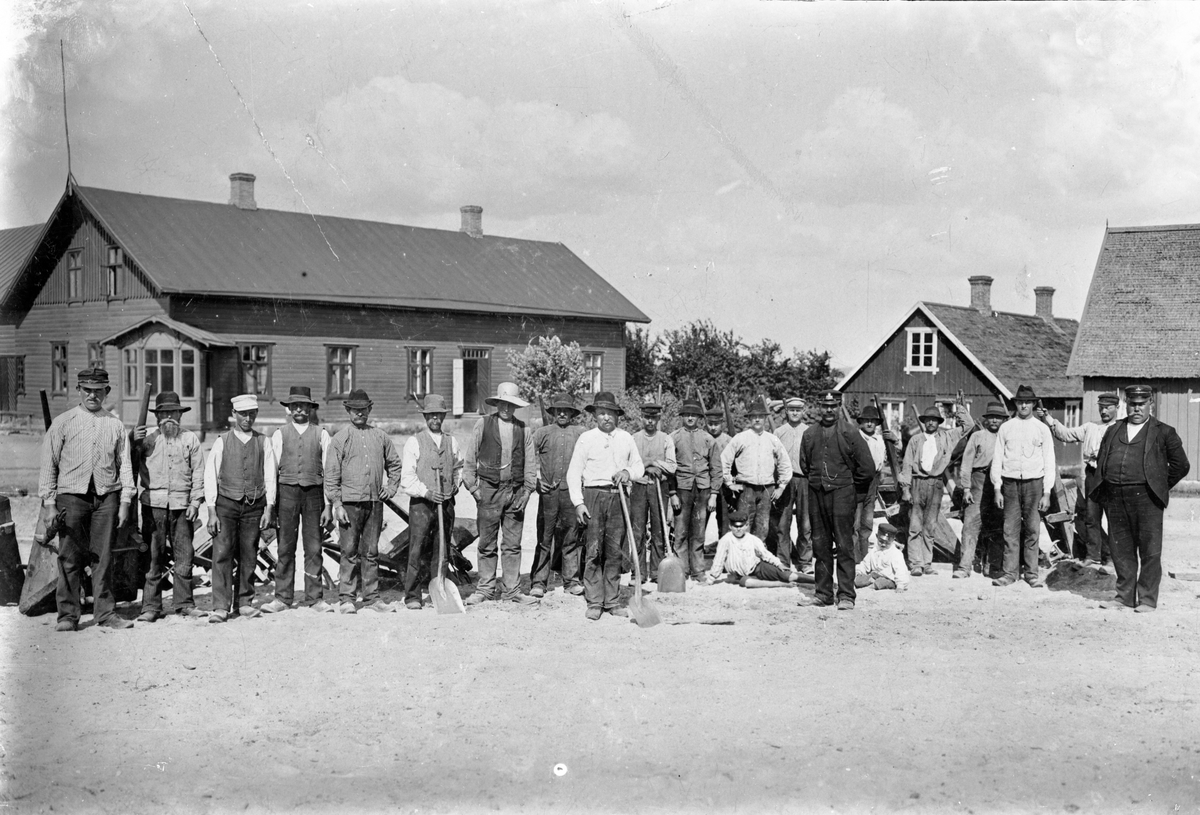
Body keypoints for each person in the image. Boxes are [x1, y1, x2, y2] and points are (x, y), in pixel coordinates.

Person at [38, 367, 136, 631]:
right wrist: (49, 505)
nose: (93, 395)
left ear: (107, 391)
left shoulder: (115, 425)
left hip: (106, 499)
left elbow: (125, 465)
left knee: (103, 558)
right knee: (69, 557)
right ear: (79, 390)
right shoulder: (63, 422)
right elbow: (49, 465)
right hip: (71, 499)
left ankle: (106, 613)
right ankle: (68, 616)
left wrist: (125, 501)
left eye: (98, 390)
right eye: (87, 390)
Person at [1092, 385, 1189, 612]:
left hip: (1147, 498)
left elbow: (1181, 465)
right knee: (1120, 549)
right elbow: (1102, 460)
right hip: (1116, 497)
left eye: (1141, 404)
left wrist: (1158, 485)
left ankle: (1146, 599)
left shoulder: (1164, 432)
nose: (1136, 409)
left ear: (1150, 404)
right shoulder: (1113, 430)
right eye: (1132, 404)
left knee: (1149, 549)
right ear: (1126, 405)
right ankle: (1123, 597)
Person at [566, 391, 644, 620]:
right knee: (593, 550)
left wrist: (627, 472)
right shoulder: (586, 438)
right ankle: (594, 602)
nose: (606, 418)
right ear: (595, 416)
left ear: (617, 416)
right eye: (601, 413)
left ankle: (612, 601)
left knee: (614, 550)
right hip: (593, 496)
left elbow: (639, 467)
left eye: (610, 413)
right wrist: (578, 503)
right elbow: (574, 472)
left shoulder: (626, 438)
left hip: (619, 498)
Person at [325, 389, 402, 614]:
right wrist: (337, 504)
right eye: (355, 410)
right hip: (349, 505)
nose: (359, 413)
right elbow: (331, 475)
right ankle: (347, 598)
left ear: (369, 409)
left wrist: (391, 487)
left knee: (371, 552)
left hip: (374, 503)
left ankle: (372, 597)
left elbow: (395, 464)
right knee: (349, 551)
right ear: (348, 411)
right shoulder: (340, 439)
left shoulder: (380, 436)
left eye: (363, 409)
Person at [797, 390, 876, 611]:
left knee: (844, 545)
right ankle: (823, 594)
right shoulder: (810, 434)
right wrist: (820, 481)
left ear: (839, 407)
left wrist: (850, 489)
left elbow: (867, 469)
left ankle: (846, 595)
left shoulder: (850, 432)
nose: (829, 410)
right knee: (820, 545)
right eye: (825, 406)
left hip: (843, 495)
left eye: (833, 406)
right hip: (817, 494)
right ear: (819, 407)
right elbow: (805, 465)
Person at [203, 393, 277, 623]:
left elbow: (270, 476)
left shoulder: (263, 441)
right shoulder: (222, 441)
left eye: (252, 414)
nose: (247, 418)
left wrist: (269, 508)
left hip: (254, 506)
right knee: (222, 554)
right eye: (243, 414)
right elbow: (210, 476)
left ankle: (244, 603)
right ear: (234, 414)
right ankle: (220, 606)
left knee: (249, 554)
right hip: (226, 505)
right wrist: (212, 511)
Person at [131, 391, 205, 622]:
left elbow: (199, 473)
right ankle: (151, 607)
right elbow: (129, 464)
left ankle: (184, 604)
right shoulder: (147, 440)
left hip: (183, 507)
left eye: (173, 412)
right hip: (153, 506)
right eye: (164, 413)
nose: (169, 417)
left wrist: (195, 502)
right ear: (157, 417)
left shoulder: (190, 439)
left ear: (180, 415)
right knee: (153, 557)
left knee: (184, 555)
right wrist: (132, 440)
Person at [463, 382, 538, 605]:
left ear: (515, 407)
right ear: (497, 404)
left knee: (512, 544)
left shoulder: (524, 429)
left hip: (515, 492)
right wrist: (474, 489)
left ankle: (511, 590)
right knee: (487, 543)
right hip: (489, 490)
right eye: (503, 403)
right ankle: (486, 588)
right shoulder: (483, 424)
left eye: (510, 404)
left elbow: (530, 464)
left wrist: (527, 492)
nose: (506, 408)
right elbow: (470, 459)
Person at [263, 386, 332, 614]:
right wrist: (271, 504)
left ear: (310, 409)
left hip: (314, 495)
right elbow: (271, 472)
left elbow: (329, 471)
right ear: (289, 409)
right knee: (285, 547)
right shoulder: (279, 434)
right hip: (287, 495)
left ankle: (315, 598)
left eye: (303, 406)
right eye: (295, 406)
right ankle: (282, 598)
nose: (299, 410)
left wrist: (328, 505)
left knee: (313, 547)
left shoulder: (321, 434)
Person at [1040, 393, 1121, 567]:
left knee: (1114, 519)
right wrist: (1048, 418)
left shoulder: (1122, 428)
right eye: (1101, 407)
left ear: (1117, 408)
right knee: (1091, 517)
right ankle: (1093, 555)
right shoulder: (1091, 427)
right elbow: (1066, 434)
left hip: (1113, 476)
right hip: (1093, 475)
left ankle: (1112, 558)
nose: (1104, 411)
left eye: (1108, 408)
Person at [399, 394, 462, 610]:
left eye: (439, 415)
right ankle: (413, 595)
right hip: (422, 505)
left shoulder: (452, 441)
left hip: (446, 503)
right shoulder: (414, 442)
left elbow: (458, 467)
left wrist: (455, 485)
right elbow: (407, 478)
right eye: (431, 415)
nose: (435, 418)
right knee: (416, 549)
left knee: (441, 550)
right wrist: (426, 493)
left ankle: (440, 590)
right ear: (425, 417)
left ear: (443, 417)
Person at [989, 384, 1056, 588]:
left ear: (1034, 404)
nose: (1024, 406)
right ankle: (1010, 573)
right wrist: (997, 488)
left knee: (1032, 529)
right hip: (1010, 484)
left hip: (1034, 484)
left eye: (1028, 402)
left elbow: (1049, 461)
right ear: (1016, 404)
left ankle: (1031, 573)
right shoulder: (1006, 427)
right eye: (1020, 402)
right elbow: (997, 458)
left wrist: (1047, 492)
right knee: (1009, 529)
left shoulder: (1042, 429)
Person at [898, 404, 971, 577]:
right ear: (924, 422)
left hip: (936, 484)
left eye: (934, 420)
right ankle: (916, 564)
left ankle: (927, 563)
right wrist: (906, 489)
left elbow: (968, 425)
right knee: (915, 525)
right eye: (928, 420)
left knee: (930, 525)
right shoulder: (916, 440)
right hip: (917, 483)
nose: (931, 423)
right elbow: (907, 465)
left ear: (939, 422)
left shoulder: (947, 437)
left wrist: (960, 407)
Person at [530, 393, 586, 597]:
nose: (562, 414)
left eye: (566, 411)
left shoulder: (580, 433)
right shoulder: (542, 433)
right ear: (553, 412)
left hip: (572, 494)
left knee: (571, 538)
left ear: (572, 413)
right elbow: (526, 458)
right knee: (545, 539)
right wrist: (536, 482)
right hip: (549, 495)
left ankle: (571, 581)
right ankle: (539, 582)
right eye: (558, 411)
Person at [720, 397, 791, 540]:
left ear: (765, 419)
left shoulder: (772, 439)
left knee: (762, 525)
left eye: (760, 417)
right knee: (744, 524)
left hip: (767, 489)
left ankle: (758, 552)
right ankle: (743, 552)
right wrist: (729, 483)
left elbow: (785, 462)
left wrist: (781, 486)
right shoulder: (740, 438)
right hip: (746, 489)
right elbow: (724, 460)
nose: (757, 420)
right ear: (749, 419)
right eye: (754, 417)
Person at [670, 398, 720, 581]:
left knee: (698, 532)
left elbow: (716, 468)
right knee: (680, 532)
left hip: (702, 490)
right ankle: (682, 571)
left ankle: (698, 571)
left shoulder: (708, 439)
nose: (690, 418)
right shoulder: (673, 438)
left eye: (694, 415)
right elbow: (669, 469)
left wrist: (713, 494)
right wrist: (672, 493)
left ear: (699, 418)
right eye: (687, 415)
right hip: (682, 489)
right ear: (682, 416)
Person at [956, 401, 1007, 579]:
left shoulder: (1006, 437)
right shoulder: (977, 436)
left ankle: (992, 566)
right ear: (986, 419)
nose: (994, 421)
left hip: (1000, 483)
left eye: (998, 418)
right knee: (971, 523)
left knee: (997, 525)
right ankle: (964, 566)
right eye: (991, 417)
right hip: (978, 480)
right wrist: (966, 488)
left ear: (1003, 420)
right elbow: (966, 463)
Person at [629, 400, 677, 582]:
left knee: (659, 530)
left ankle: (656, 571)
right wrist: (647, 466)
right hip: (639, 486)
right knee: (638, 531)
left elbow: (672, 466)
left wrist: (653, 462)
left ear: (658, 419)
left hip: (659, 487)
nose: (650, 421)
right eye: (646, 417)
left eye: (653, 418)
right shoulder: (633, 439)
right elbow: (629, 464)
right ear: (641, 418)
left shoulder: (666, 439)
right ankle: (638, 572)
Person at [770, 396, 813, 573]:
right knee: (783, 522)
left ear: (803, 412)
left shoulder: (810, 431)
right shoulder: (778, 432)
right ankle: (783, 561)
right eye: (792, 410)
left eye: (798, 410)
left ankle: (805, 562)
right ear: (786, 411)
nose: (795, 413)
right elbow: (773, 457)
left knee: (805, 523)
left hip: (804, 480)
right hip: (784, 481)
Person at [704, 511, 800, 585]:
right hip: (739, 576)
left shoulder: (752, 539)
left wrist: (778, 564)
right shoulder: (725, 540)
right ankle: (782, 584)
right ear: (730, 526)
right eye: (735, 526)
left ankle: (809, 580)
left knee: (787, 575)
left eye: (741, 526)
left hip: (756, 568)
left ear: (746, 526)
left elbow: (765, 554)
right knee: (747, 582)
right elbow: (719, 560)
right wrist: (711, 579)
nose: (738, 529)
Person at [852, 405, 889, 564]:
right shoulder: (855, 438)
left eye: (872, 421)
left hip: (873, 480)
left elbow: (892, 452)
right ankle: (854, 557)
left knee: (867, 520)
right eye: (866, 421)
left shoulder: (880, 440)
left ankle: (864, 556)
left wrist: (893, 439)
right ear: (861, 422)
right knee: (855, 520)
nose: (869, 424)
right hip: (858, 481)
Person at [705, 408, 735, 541]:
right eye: (710, 424)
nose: (713, 427)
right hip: (706, 484)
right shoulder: (703, 438)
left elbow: (735, 465)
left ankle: (724, 547)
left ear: (722, 423)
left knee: (724, 520)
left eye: (716, 424)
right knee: (701, 519)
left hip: (724, 487)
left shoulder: (730, 441)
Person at [853, 523, 909, 591]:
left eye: (887, 543)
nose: (883, 544)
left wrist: (900, 585)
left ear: (893, 540)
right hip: (874, 575)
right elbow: (865, 564)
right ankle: (870, 582)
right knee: (857, 580)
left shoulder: (896, 553)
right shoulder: (874, 551)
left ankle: (874, 584)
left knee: (880, 582)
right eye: (881, 541)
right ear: (877, 536)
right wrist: (858, 571)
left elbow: (901, 570)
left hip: (889, 578)